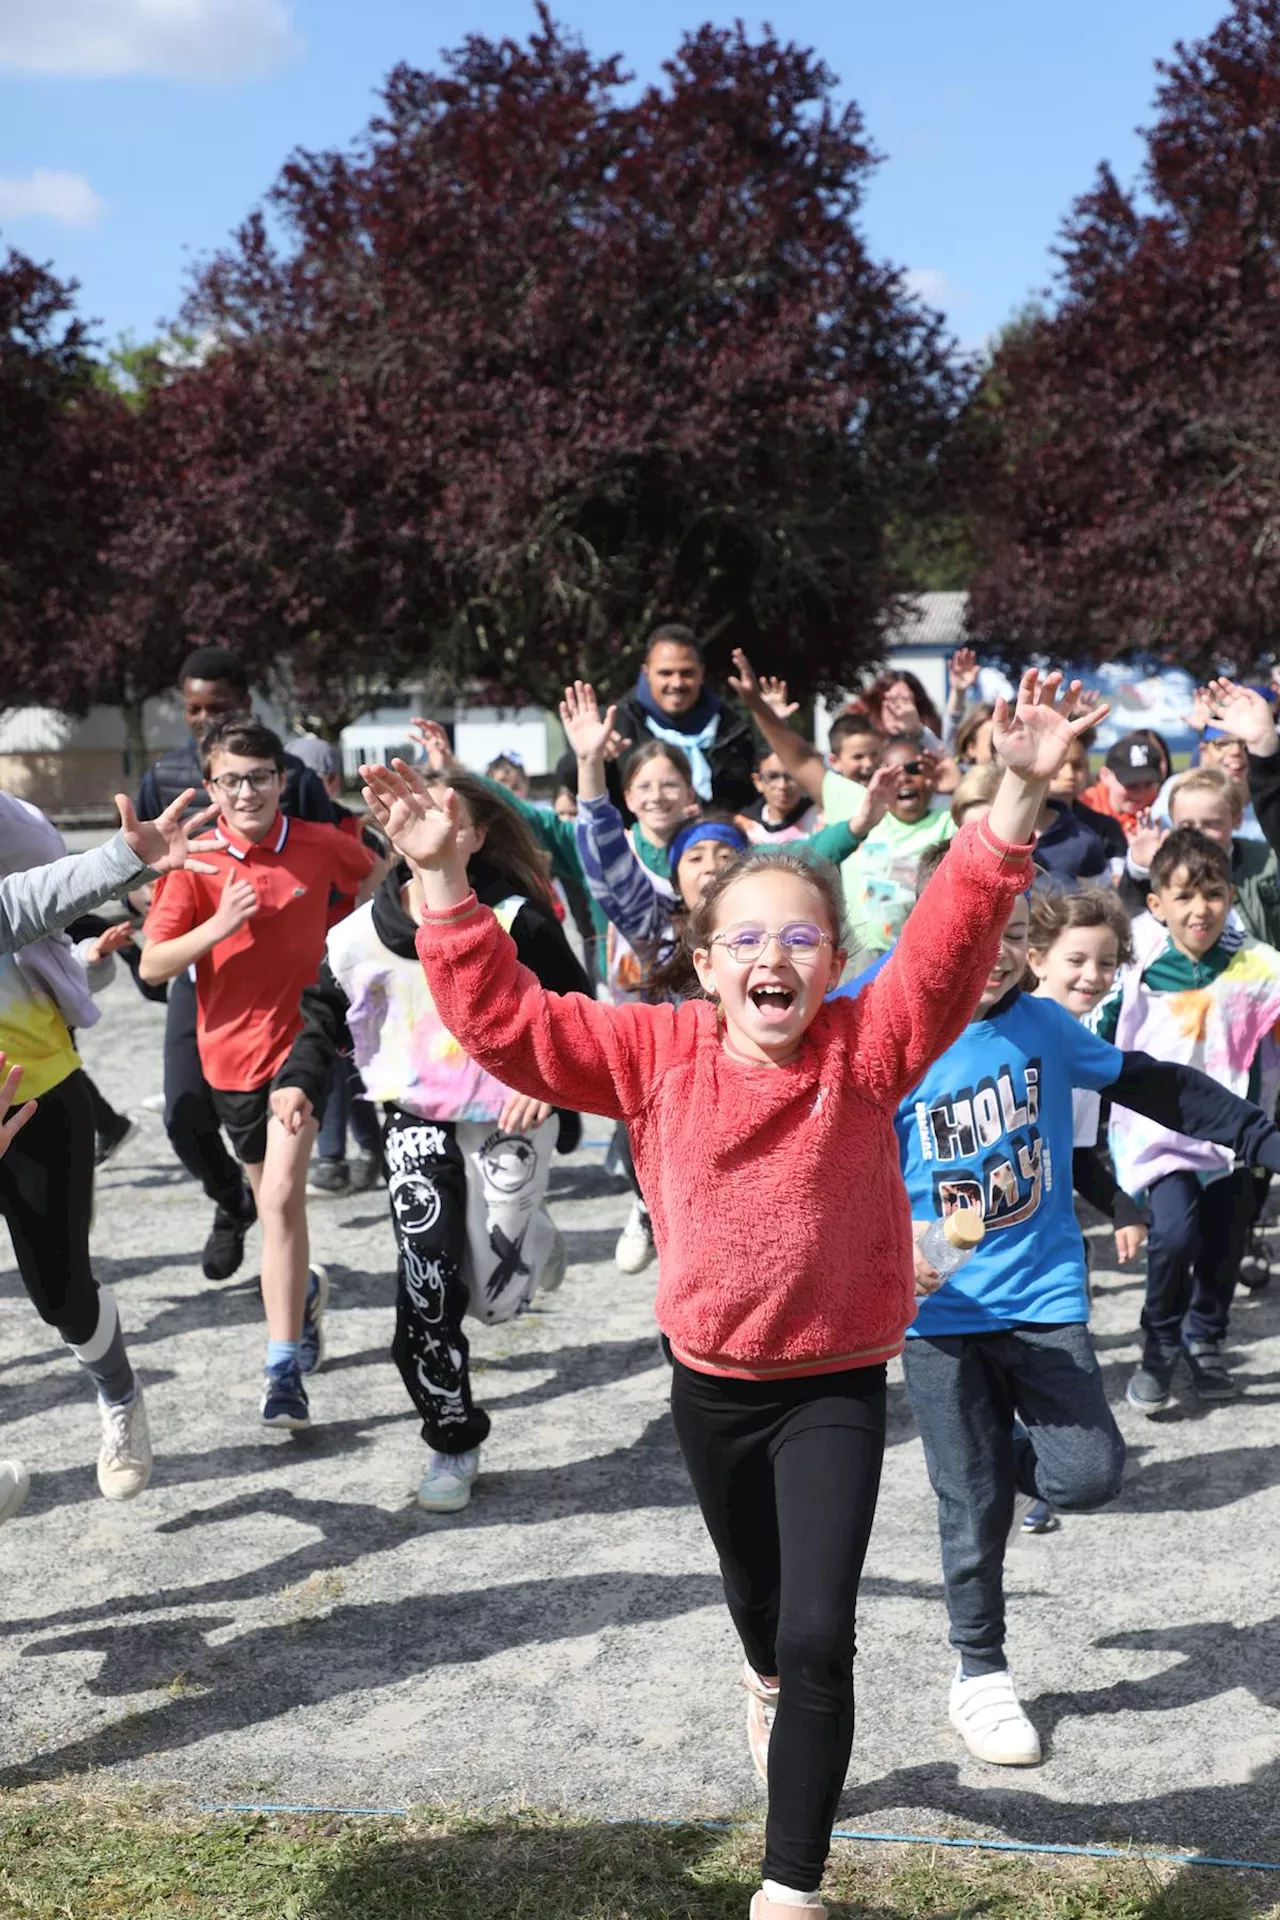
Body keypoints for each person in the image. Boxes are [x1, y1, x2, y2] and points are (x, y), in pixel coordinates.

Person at [363, 668, 1093, 1920]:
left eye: (799, 937)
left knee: (820, 1632)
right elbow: (511, 1031)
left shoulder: (868, 1048)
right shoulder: (653, 1051)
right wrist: (441, 878)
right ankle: (757, 1676)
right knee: (763, 1619)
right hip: (710, 1388)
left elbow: (946, 942)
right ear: (701, 965)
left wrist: (1017, 792)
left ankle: (788, 1886)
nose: (773, 957)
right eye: (744, 939)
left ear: (833, 964)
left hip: (833, 1389)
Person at [845, 846, 1280, 1769]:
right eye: (969, 934)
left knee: (1085, 1475)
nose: (991, 952)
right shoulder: (884, 1021)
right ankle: (980, 1671)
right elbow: (834, 1157)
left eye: (1008, 935)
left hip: (1043, 1298)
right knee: (969, 1508)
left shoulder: (1045, 1026)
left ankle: (985, 1471)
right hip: (936, 1312)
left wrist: (1256, 1132)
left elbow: (1153, 1082)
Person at [273, 769, 589, 1512]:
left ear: (476, 837)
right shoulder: (354, 939)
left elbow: (580, 1013)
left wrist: (545, 1089)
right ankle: (451, 1439)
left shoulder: (520, 925)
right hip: (413, 1116)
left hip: (510, 1115)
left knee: (495, 1302)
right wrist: (297, 1080)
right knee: (428, 1280)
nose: (432, 825)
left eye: (451, 816)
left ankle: (530, 1234)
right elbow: (321, 1016)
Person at [139, 718, 376, 1431]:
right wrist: (219, 925)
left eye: (260, 777)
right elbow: (154, 966)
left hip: (304, 1045)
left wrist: (351, 960)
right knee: (278, 1213)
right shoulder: (198, 863)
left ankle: (281, 1375)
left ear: (283, 780)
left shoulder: (321, 843)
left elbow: (372, 878)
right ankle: (301, 1300)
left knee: (278, 1203)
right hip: (228, 1061)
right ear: (211, 787)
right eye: (231, 780)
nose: (247, 791)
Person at [131, 646, 339, 1283]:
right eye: (192, 708)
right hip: (201, 970)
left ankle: (279, 1244)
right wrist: (146, 894)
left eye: (214, 708)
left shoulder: (292, 778)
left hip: (278, 980)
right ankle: (232, 1203)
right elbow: (139, 864)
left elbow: (333, 860)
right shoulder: (166, 773)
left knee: (280, 1145)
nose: (201, 718)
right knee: (182, 1111)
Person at [1088, 827, 1280, 1413]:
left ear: (1230, 897)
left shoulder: (1258, 966)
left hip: (1237, 1136)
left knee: (1224, 1242)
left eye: (1215, 894)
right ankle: (1160, 1344)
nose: (1201, 909)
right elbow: (1098, 1031)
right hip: (1160, 1135)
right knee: (1171, 1237)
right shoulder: (1138, 966)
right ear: (1156, 904)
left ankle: (1205, 1338)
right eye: (1185, 896)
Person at [286, 734, 389, 1196]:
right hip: (299, 964)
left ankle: (341, 1155)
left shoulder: (350, 833)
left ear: (330, 780)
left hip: (345, 962)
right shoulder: (283, 835)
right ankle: (364, 1149)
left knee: (347, 1056)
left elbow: (377, 882)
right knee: (334, 1058)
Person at [567, 623, 757, 815]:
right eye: (665, 673)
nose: (676, 683)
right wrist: (588, 757)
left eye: (687, 673)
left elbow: (759, 795)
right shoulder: (615, 724)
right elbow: (572, 781)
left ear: (702, 673)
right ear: (646, 673)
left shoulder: (733, 728)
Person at [1078, 734, 1165, 842]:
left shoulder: (1163, 807)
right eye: (1131, 785)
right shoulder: (1086, 806)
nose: (1141, 793)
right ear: (1105, 775)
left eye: (1148, 784)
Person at [738, 746, 821, 843]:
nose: (782, 786)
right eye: (772, 776)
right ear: (758, 782)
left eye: (791, 776)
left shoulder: (819, 819)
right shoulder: (743, 827)